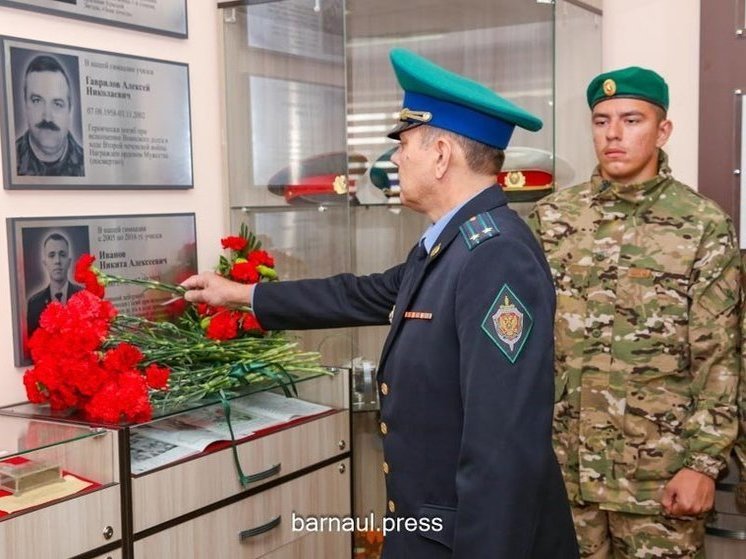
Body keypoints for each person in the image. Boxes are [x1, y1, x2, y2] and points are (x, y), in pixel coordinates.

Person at [182, 48, 579, 558]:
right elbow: (361, 293)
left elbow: (502, 448)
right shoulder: (451, 242)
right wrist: (244, 295)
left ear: (440, 154)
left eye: (404, 145)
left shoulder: (494, 255)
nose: (394, 160)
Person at [528, 67, 742, 558]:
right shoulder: (554, 218)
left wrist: (703, 464)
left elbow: (720, 356)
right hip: (565, 475)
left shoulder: (701, 225)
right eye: (601, 121)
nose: (614, 135)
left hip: (658, 480)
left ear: (662, 130)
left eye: (631, 120)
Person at [16, 54, 85, 177]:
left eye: (57, 104)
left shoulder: (85, 164)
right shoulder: (11, 158)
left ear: (70, 112)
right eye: (37, 101)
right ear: (25, 105)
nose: (47, 117)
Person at [27, 232, 83, 337]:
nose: (57, 261)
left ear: (69, 261)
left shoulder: (83, 297)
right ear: (45, 263)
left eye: (62, 255)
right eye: (51, 255)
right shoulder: (34, 304)